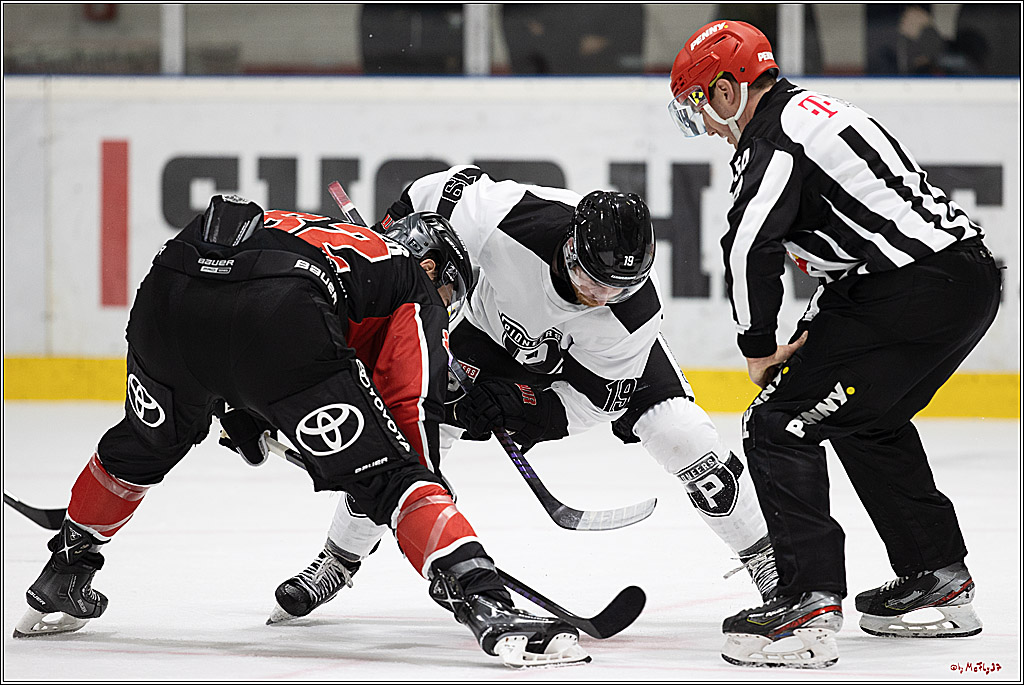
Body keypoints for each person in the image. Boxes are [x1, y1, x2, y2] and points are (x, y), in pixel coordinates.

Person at [13, 194, 592, 669]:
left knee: (143, 443)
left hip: (169, 293)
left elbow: (230, 290)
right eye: (450, 297)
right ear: (436, 268)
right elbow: (408, 407)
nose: (447, 308)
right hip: (275, 317)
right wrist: (421, 490)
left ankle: (66, 567)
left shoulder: (323, 236)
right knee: (395, 478)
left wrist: (241, 404)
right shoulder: (412, 281)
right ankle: (483, 601)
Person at [269, 166, 780, 626]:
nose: (599, 297)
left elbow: (596, 402)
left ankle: (769, 562)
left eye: (618, 288)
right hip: (489, 330)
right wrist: (388, 257)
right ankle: (338, 560)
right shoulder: (506, 216)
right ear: (572, 248)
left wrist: (521, 404)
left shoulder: (630, 317)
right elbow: (434, 191)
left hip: (585, 366)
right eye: (593, 280)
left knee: (682, 435)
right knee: (410, 438)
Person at [667, 20, 1000, 668]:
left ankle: (808, 602)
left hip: (910, 290)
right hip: (966, 278)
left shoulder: (773, 140)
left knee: (777, 423)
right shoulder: (818, 111)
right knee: (865, 419)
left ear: (731, 90)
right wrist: (812, 330)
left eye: (702, 103)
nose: (705, 123)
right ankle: (939, 575)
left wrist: (758, 345)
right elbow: (859, 246)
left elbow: (744, 249)